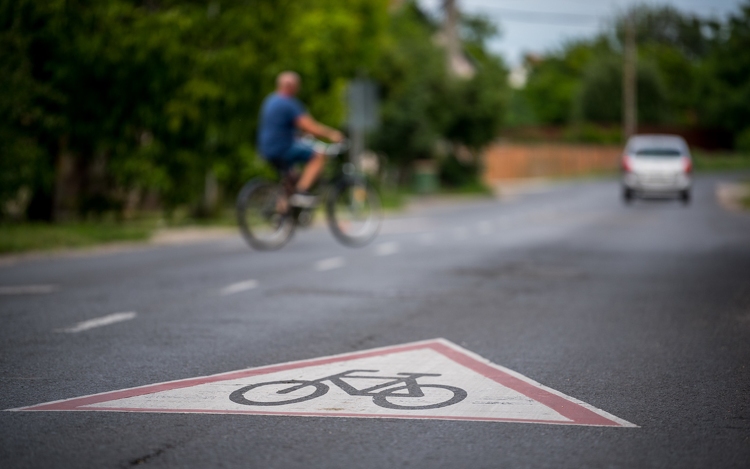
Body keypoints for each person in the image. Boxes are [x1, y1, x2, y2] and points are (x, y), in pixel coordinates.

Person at [257, 71, 343, 207]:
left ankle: (282, 214)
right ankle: (302, 192)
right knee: (319, 154)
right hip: (283, 147)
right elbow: (310, 127)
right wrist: (331, 134)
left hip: (266, 148)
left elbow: (279, 127)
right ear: (292, 86)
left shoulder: (270, 100)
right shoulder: (289, 104)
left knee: (291, 178)